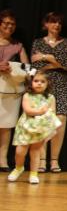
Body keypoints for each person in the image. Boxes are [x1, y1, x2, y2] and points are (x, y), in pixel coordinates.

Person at [31, 12, 67, 173]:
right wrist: (54, 61)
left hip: (62, 84)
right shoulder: (37, 42)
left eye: (59, 23)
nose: (57, 25)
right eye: (53, 22)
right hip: (42, 84)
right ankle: (42, 159)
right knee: (42, 118)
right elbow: (35, 66)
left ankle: (55, 160)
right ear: (46, 24)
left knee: (60, 119)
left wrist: (47, 58)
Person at [8, 71, 62, 184]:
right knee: (20, 151)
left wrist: (50, 122)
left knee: (36, 151)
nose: (39, 83)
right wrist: (40, 111)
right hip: (26, 126)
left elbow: (52, 112)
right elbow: (27, 110)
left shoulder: (51, 97)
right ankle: (18, 168)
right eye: (36, 81)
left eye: (43, 81)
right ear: (31, 82)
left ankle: (33, 173)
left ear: (48, 84)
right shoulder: (27, 95)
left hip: (40, 128)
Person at [0, 10, 30, 172]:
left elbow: (28, 67)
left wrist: (14, 68)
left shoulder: (18, 46)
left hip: (11, 91)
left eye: (12, 24)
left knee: (6, 126)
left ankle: (3, 159)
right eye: (6, 23)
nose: (10, 27)